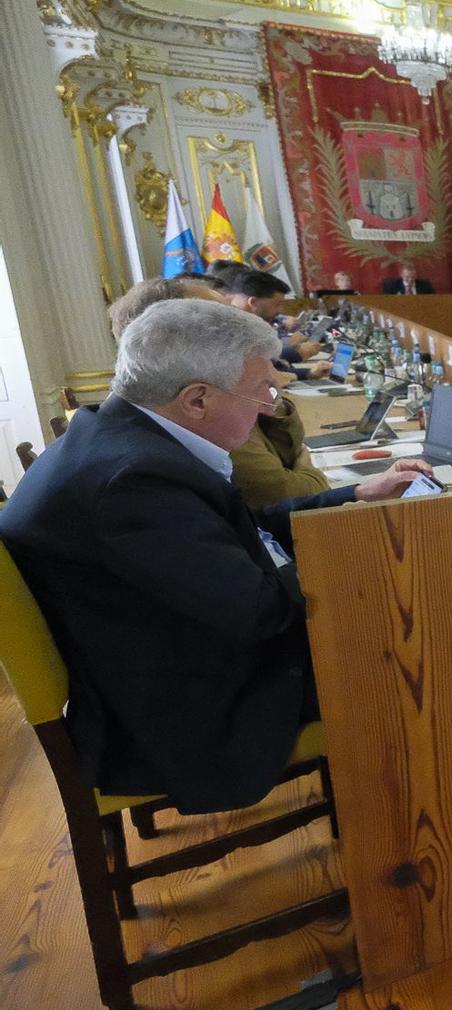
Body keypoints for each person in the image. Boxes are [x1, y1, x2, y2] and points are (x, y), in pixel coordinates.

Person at [0, 300, 430, 813]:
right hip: (191, 712)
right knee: (422, 644)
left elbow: (241, 534)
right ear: (197, 399)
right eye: (262, 391)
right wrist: (372, 551)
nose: (269, 406)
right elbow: (259, 610)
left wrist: (353, 500)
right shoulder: (132, 482)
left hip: (174, 653)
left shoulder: (121, 435)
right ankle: (412, 833)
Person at [108, 280, 335, 509]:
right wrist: (307, 463)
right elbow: (284, 493)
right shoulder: (201, 423)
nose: (238, 323)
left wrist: (265, 383)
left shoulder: (192, 404)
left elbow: (285, 448)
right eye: (217, 319)